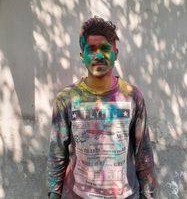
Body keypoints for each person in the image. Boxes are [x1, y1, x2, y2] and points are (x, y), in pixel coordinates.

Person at [47, 16, 156, 199]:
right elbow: (57, 155)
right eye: (91, 50)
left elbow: (143, 155)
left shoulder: (132, 97)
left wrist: (149, 194)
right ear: (82, 56)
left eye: (105, 49)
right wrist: (53, 193)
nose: (98, 56)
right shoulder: (66, 100)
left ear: (115, 53)